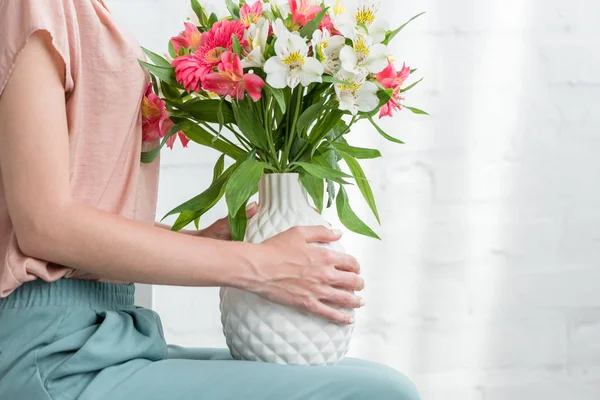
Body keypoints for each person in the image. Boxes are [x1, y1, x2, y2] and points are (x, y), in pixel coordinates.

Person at [0, 0, 420, 399]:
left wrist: (202, 240)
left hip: (106, 333)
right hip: (53, 354)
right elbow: (43, 225)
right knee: (377, 395)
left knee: (374, 381)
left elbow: (70, 207)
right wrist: (263, 268)